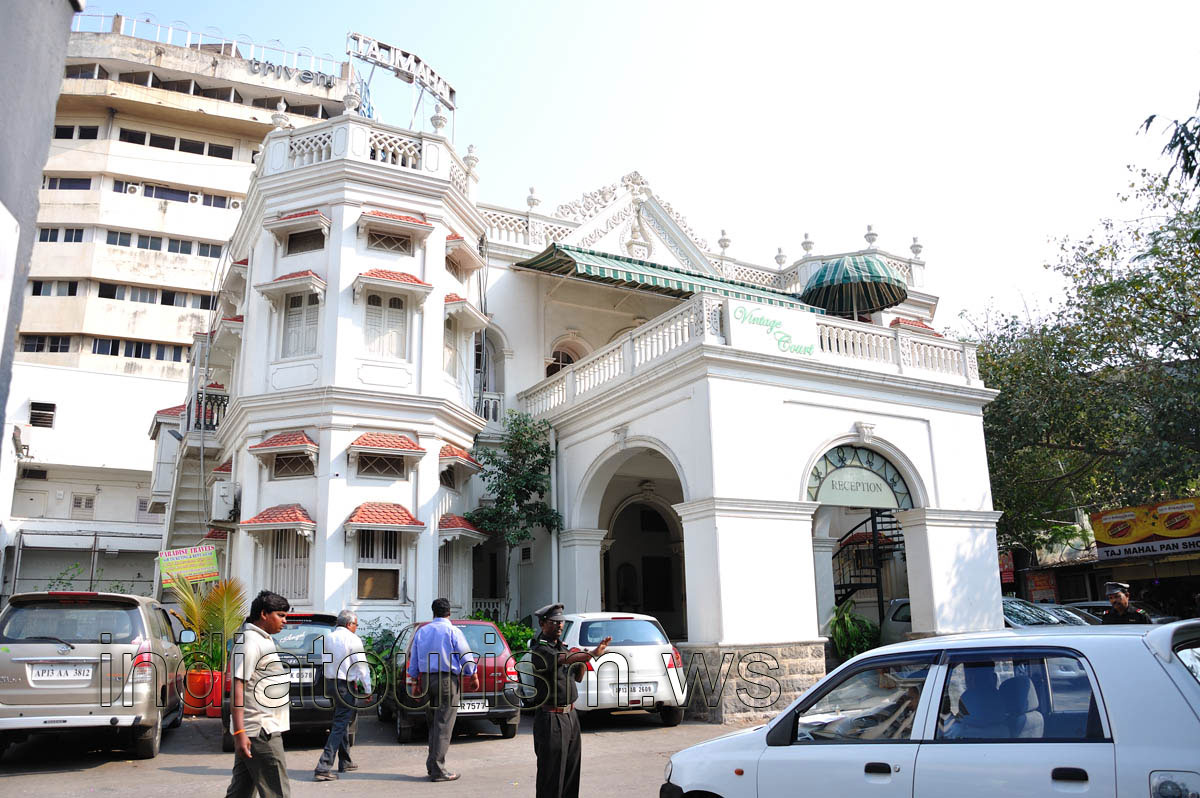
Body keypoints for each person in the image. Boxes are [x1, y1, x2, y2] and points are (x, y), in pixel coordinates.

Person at [529, 603, 611, 798]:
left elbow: (578, 676)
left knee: (571, 773)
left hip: (570, 716)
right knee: (551, 777)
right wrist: (590, 653)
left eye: (561, 622)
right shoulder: (540, 649)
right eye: (554, 622)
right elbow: (563, 659)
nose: (559, 626)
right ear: (542, 623)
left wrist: (584, 659)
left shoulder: (563, 648)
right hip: (551, 718)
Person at [226, 590, 292, 798]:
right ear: (264, 614)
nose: (284, 621)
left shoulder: (262, 639)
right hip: (261, 731)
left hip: (257, 730)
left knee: (240, 792)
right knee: (277, 792)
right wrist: (239, 733)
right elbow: (238, 685)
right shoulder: (250, 642)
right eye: (280, 615)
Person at [406, 597, 479, 782]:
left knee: (433, 724)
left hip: (427, 680)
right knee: (444, 725)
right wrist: (473, 674)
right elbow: (465, 654)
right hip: (447, 680)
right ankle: (438, 770)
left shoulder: (422, 631)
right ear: (449, 613)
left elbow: (413, 658)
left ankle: (433, 766)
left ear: (433, 612)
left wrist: (414, 681)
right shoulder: (452, 631)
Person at [313, 610, 372, 782]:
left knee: (342, 719)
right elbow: (361, 666)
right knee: (340, 723)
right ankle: (323, 766)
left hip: (331, 683)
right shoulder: (353, 639)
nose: (356, 628)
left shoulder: (328, 638)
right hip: (345, 685)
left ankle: (345, 761)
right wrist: (367, 689)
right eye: (356, 624)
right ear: (349, 624)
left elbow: (325, 661)